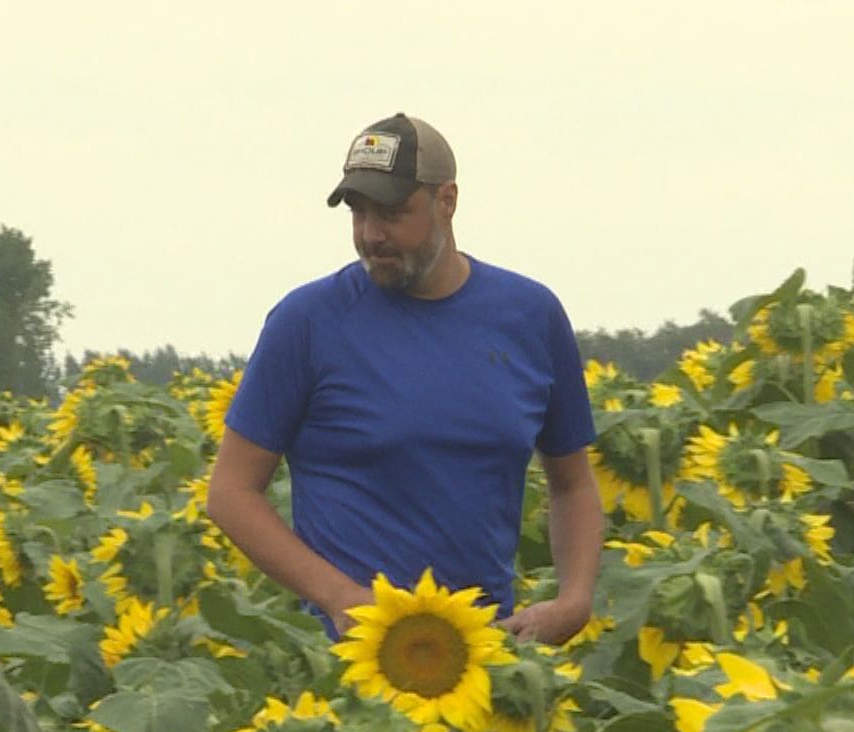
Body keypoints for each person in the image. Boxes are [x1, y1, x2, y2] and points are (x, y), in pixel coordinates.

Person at [206, 112, 604, 644]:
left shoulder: (529, 316)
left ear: (447, 201)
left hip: (485, 658)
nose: (371, 235)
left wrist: (574, 600)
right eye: (358, 212)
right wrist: (339, 597)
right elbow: (231, 492)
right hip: (347, 666)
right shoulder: (307, 323)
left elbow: (573, 483)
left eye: (392, 213)